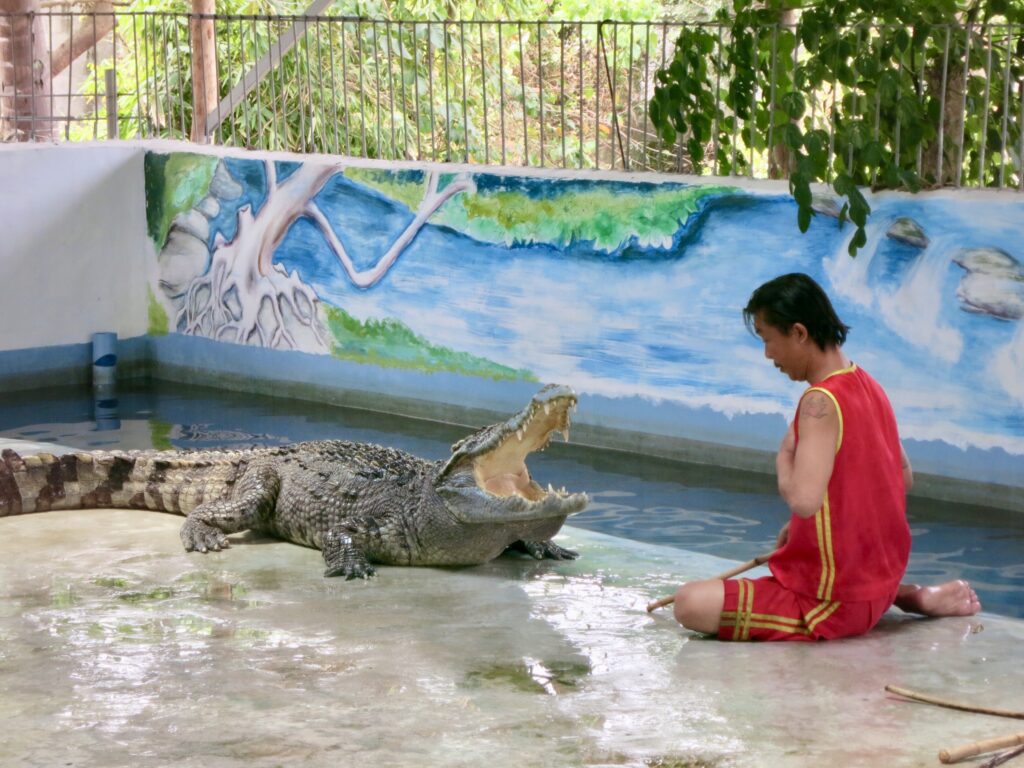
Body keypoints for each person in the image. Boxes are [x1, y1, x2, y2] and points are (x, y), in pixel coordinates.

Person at [672, 272, 981, 641]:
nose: (768, 354)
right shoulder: (868, 384)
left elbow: (803, 500)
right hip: (877, 583)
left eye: (768, 340)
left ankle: (895, 600)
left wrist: (783, 458)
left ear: (799, 333)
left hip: (833, 603)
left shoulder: (819, 401)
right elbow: (902, 477)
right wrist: (804, 533)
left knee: (688, 602)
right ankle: (904, 595)